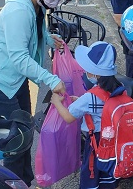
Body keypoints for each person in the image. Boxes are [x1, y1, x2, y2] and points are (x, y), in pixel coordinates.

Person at [0, 0, 72, 185]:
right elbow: (19, 57)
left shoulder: (36, 6)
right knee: (14, 143)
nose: (56, 2)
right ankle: (13, 183)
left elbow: (34, 34)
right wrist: (51, 79)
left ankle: (24, 181)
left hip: (15, 78)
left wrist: (50, 39)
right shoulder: (19, 10)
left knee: (25, 132)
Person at [51, 41, 121, 189]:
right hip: (115, 140)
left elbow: (69, 117)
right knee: (108, 172)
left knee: (92, 173)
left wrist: (56, 102)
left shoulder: (90, 97)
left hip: (97, 141)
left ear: (95, 73)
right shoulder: (120, 88)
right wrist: (81, 102)